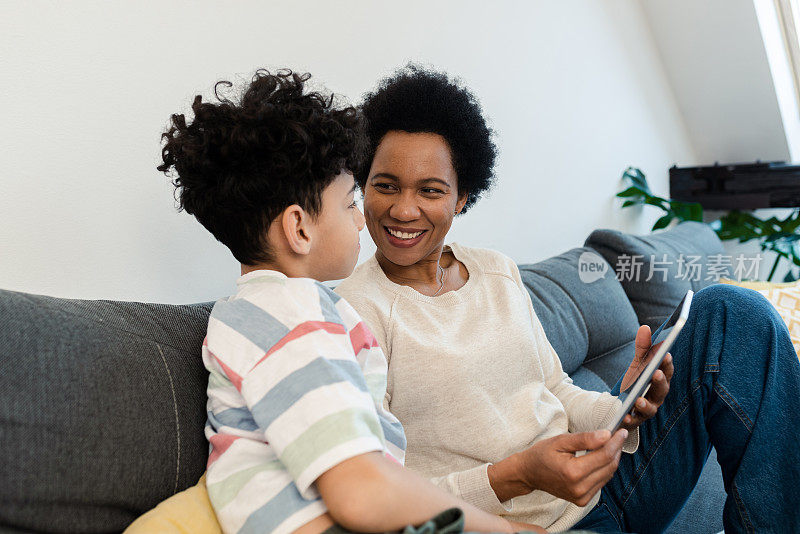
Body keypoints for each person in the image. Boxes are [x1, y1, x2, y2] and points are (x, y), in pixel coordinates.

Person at [335, 65, 800, 533]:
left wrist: (624, 409)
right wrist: (515, 476)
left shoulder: (496, 271)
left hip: (607, 482)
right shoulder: (350, 313)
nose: (403, 209)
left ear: (461, 198)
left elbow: (555, 390)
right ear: (362, 182)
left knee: (732, 314)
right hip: (528, 526)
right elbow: (383, 493)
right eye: (385, 185)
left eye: (430, 191)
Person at [157, 69, 545, 534]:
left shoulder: (262, 312)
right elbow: (362, 493)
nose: (361, 221)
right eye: (348, 203)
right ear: (299, 229)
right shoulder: (289, 315)